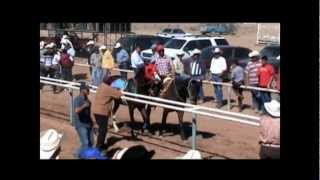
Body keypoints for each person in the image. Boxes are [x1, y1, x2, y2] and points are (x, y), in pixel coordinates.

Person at [91, 81, 123, 151]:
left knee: (102, 129)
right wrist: (119, 89)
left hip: (96, 110)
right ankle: (98, 147)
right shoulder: (108, 89)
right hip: (102, 112)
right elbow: (119, 95)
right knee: (103, 130)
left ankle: (100, 144)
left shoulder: (101, 85)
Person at [72, 83, 94, 158]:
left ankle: (77, 153)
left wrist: (93, 124)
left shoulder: (88, 101)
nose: (89, 90)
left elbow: (88, 114)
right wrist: (84, 106)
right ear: (82, 90)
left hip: (88, 124)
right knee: (85, 143)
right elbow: (76, 110)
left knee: (91, 142)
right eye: (87, 89)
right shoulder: (77, 99)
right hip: (80, 124)